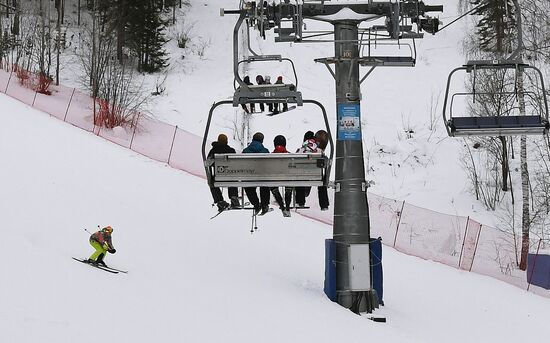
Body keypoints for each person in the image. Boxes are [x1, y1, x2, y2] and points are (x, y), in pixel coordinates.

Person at [207, 133, 240, 211]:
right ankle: (234, 197)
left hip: (218, 177)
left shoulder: (213, 150)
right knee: (233, 178)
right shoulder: (231, 150)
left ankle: (220, 201)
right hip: (230, 177)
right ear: (227, 141)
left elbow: (208, 162)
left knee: (211, 182)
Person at [242, 132, 271, 215]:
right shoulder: (265, 151)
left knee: (248, 186)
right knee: (264, 184)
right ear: (262, 141)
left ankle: (256, 204)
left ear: (253, 139)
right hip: (262, 176)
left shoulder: (245, 151)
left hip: (250, 176)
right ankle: (265, 205)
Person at [270, 134, 293, 217]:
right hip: (287, 179)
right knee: (289, 184)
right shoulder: (290, 155)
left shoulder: (270, 156)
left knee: (272, 185)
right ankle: (287, 206)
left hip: (274, 179)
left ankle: (282, 206)